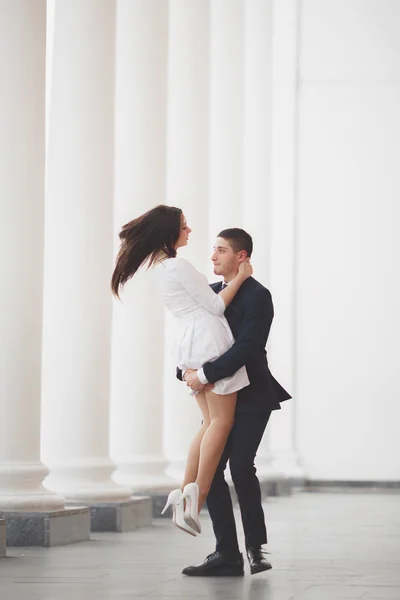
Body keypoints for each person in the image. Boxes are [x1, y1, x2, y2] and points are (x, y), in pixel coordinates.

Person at [110, 205, 252, 536]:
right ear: (169, 233)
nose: (189, 231)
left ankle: (183, 491)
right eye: (184, 227)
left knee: (208, 421)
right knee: (222, 421)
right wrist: (242, 276)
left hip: (189, 342)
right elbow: (216, 306)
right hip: (208, 339)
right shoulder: (178, 265)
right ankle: (196, 495)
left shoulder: (159, 268)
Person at [176, 228, 291, 576]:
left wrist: (205, 373)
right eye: (213, 250)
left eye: (221, 250)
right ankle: (226, 554)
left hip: (253, 395)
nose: (213, 257)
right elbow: (191, 336)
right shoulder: (210, 295)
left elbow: (248, 347)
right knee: (210, 467)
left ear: (241, 256)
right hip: (217, 400)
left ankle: (256, 550)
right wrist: (184, 371)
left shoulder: (259, 296)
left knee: (241, 467)